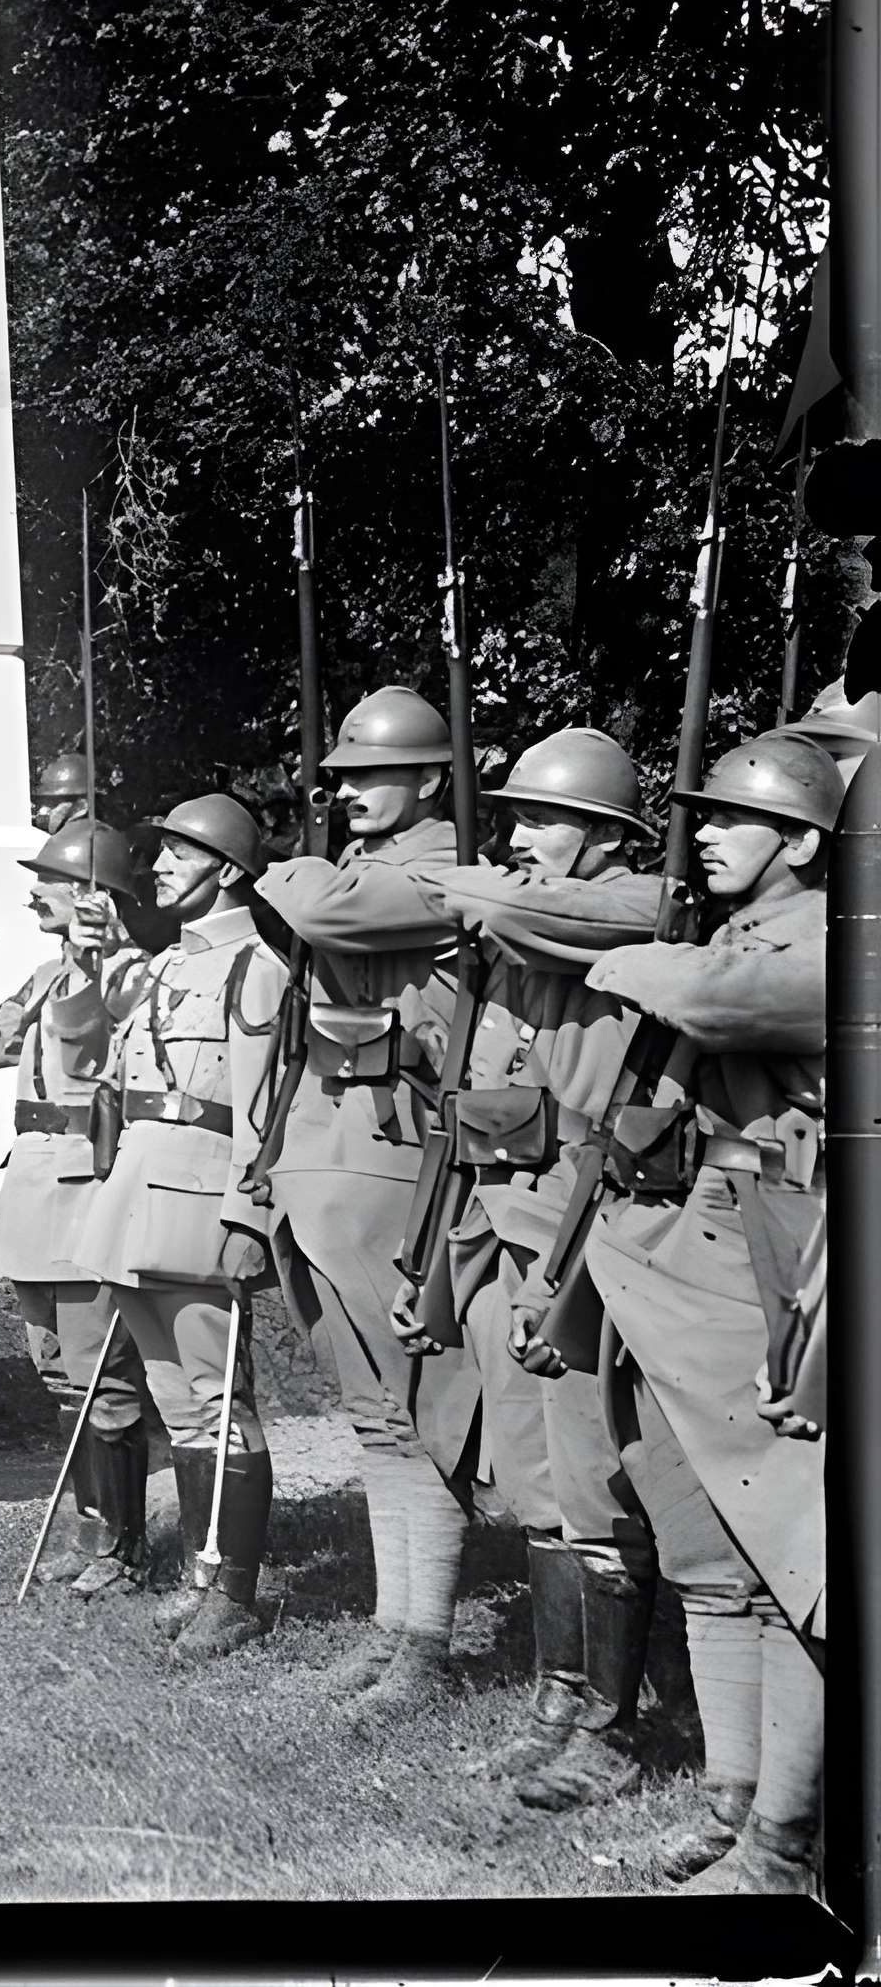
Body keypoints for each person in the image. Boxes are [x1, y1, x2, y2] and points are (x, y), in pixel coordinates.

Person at [564, 730, 831, 1894]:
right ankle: (732, 1795)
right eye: (701, 814)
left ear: (807, 841)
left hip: (779, 1255)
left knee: (789, 1551)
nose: (706, 831)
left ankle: (781, 1841)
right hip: (691, 1242)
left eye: (732, 817)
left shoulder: (827, 935)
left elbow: (726, 1004)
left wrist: (636, 957)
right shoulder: (728, 929)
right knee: (713, 1547)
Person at [412, 729, 672, 1804]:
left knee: (594, 1483)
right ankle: (555, 1700)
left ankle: (607, 1726)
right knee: (533, 1481)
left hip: (581, 1232)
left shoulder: (637, 905)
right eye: (511, 818)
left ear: (608, 838)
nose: (518, 840)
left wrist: (477, 886)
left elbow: (534, 912)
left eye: (539, 820)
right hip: (499, 1225)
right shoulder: (531, 921)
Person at [251, 684, 476, 1715]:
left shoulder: (438, 869)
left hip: (392, 1161)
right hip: (323, 1156)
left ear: (430, 779)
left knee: (415, 1417)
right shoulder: (348, 869)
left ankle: (424, 1642)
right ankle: (394, 1631)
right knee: (373, 1418)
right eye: (339, 780)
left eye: (371, 777)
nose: (348, 795)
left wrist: (284, 860)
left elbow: (319, 911)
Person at [67, 793, 291, 1655]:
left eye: (178, 853)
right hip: (136, 1199)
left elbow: (263, 1109)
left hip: (203, 1206)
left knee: (219, 1400)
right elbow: (103, 1057)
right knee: (178, 1404)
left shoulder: (255, 969)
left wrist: (247, 1213)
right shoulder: (164, 968)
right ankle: (204, 1578)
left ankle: (233, 1593)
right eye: (158, 851)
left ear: (227, 871)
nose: (156, 866)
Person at [0, 815, 154, 1590]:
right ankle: (90, 1537)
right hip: (33, 1191)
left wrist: (95, 960)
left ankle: (121, 1550)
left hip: (91, 1187)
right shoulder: (49, 974)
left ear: (100, 895)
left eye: (52, 880)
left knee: (102, 1377)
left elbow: (91, 1043)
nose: (33, 892)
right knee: (58, 1370)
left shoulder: (131, 976)